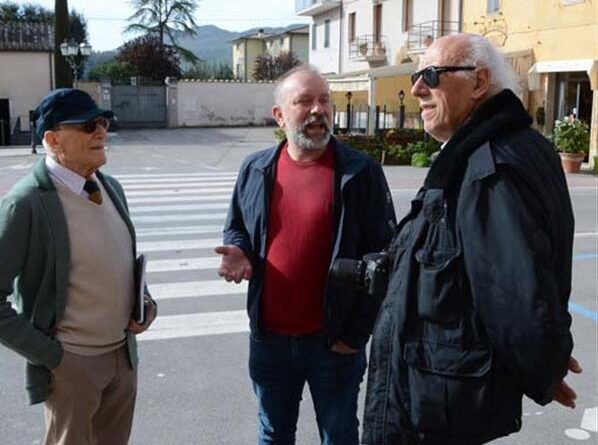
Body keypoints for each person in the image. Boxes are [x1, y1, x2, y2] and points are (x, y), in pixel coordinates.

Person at [362, 34, 579, 445]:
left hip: (432, 414)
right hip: (439, 399)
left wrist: (543, 365)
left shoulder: (488, 166)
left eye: (431, 75)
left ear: (479, 83)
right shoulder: (496, 149)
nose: (416, 88)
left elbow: (514, 294)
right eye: (415, 75)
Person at [0, 88, 157, 445]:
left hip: (122, 357)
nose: (101, 132)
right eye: (86, 126)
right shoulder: (27, 203)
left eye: (102, 122)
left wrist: (145, 303)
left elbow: (118, 262)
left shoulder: (110, 187)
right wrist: (54, 358)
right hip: (73, 366)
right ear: (53, 139)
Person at [215, 66, 396, 445]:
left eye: (324, 100)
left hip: (333, 342)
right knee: (273, 433)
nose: (318, 110)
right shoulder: (255, 168)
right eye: (304, 101)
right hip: (269, 341)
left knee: (339, 436)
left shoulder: (360, 172)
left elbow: (385, 259)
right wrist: (240, 251)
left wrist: (355, 336)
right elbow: (237, 226)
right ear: (279, 115)